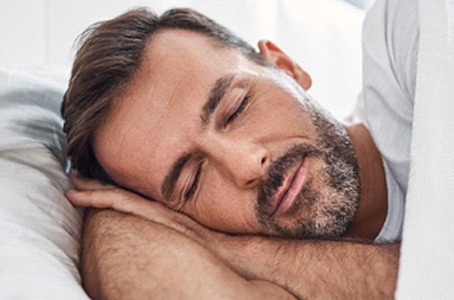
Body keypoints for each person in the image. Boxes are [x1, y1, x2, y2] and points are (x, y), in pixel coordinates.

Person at [61, 0, 417, 298]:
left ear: (287, 67)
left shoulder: (412, 31)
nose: (247, 166)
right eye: (192, 181)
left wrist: (237, 250)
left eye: (236, 110)